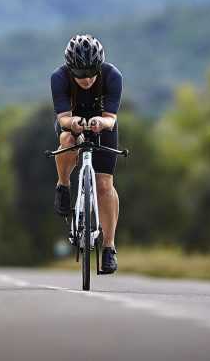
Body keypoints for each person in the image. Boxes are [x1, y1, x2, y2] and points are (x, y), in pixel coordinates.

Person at [51, 34, 123, 274]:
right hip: (71, 121)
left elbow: (111, 120)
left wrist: (100, 123)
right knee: (67, 139)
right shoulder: (59, 77)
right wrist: (75, 123)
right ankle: (63, 185)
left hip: (103, 123)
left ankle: (109, 247)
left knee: (104, 185)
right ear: (70, 69)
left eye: (92, 72)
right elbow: (63, 118)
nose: (87, 78)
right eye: (80, 73)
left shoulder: (113, 76)